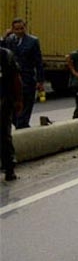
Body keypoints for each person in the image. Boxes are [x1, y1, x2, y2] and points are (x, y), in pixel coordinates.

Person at [3, 18, 44, 128]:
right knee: (11, 108)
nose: (19, 31)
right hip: (11, 80)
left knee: (26, 107)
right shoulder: (8, 40)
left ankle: (23, 127)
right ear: (12, 29)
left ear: (25, 28)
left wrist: (40, 81)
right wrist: (4, 37)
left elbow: (38, 62)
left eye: (22, 28)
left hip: (27, 79)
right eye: (16, 29)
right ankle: (19, 125)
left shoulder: (33, 41)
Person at [1, 45, 23, 181]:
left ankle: (9, 168)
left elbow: (16, 79)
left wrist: (18, 100)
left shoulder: (5, 55)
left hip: (3, 101)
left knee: (3, 136)